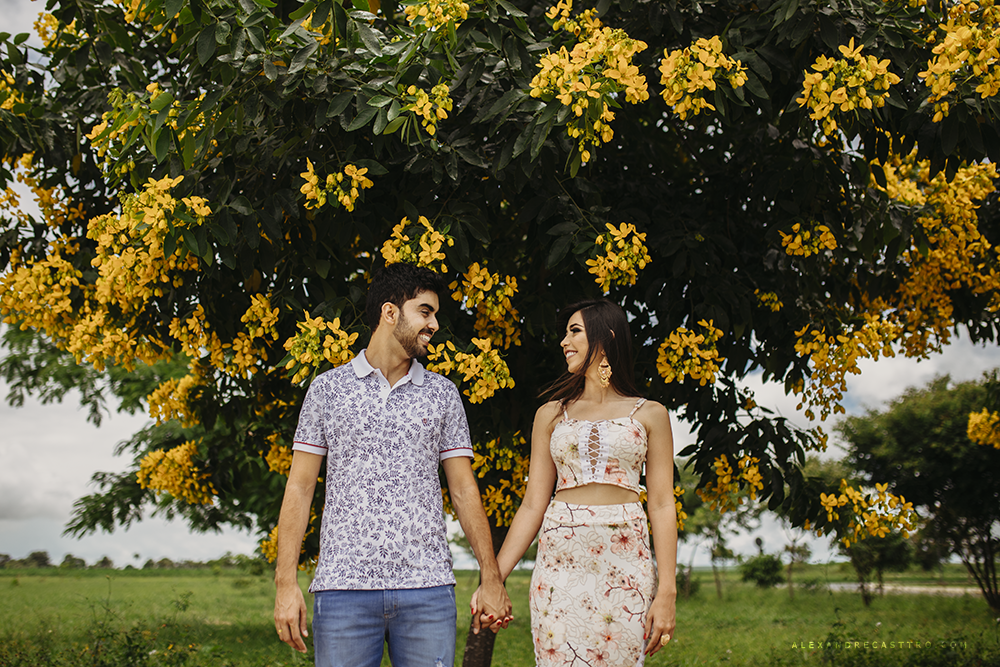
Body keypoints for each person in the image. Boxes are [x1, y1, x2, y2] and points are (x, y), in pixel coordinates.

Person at [273, 262, 512, 667]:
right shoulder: (327, 390)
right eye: (425, 311)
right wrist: (285, 584)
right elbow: (299, 486)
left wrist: (491, 575)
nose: (434, 324)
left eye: (435, 314)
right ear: (390, 312)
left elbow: (463, 488)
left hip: (427, 587)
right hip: (343, 586)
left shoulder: (443, 394)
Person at [472, 299, 677, 665]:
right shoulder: (551, 414)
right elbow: (532, 504)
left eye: (575, 331)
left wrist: (667, 592)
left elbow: (662, 505)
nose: (564, 341)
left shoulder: (651, 413)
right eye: (565, 333)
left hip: (626, 562)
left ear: (606, 337)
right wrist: (493, 579)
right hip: (560, 564)